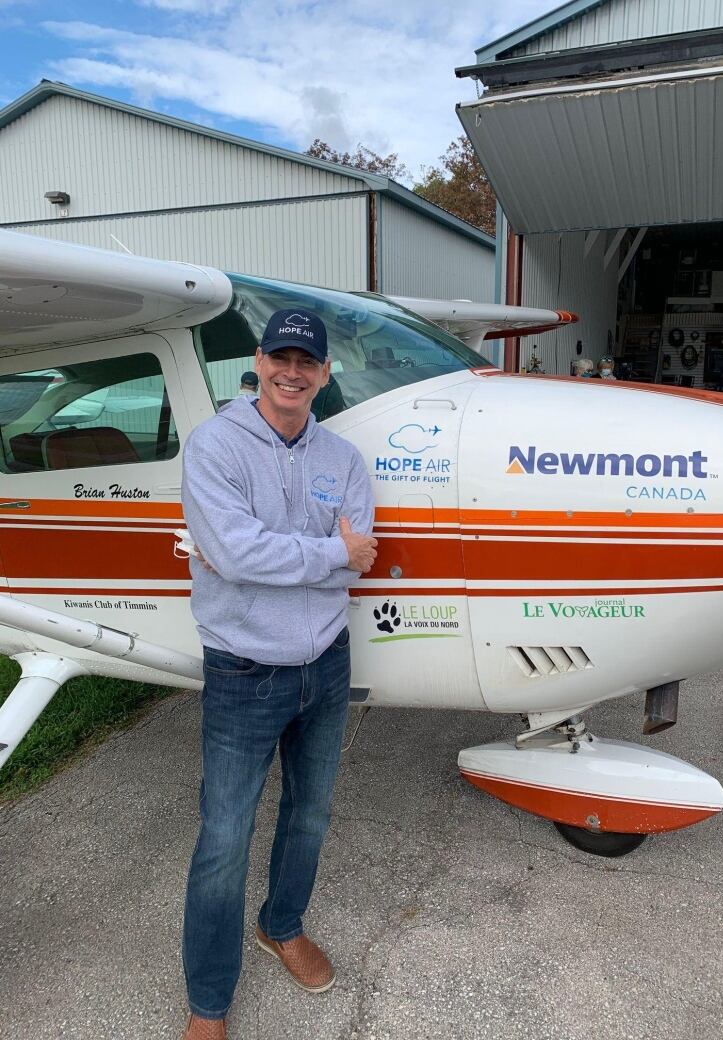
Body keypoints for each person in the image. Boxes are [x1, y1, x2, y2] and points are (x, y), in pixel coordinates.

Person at [180, 307, 377, 1040]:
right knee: (223, 838)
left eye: (309, 363)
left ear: (325, 375)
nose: (293, 373)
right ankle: (208, 1003)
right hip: (242, 671)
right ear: (258, 361)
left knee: (311, 813)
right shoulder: (215, 447)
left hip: (325, 664)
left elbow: (356, 550)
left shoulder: (344, 460)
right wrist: (328, 555)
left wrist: (280, 555)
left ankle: (282, 925)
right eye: (281, 358)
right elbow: (238, 554)